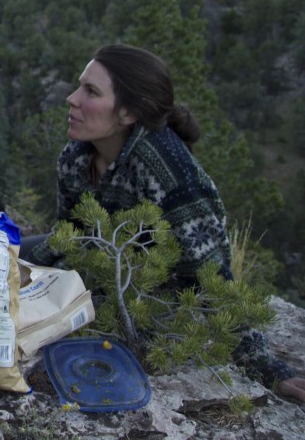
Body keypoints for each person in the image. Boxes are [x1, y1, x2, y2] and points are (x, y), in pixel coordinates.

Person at [26, 43, 304, 402]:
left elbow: (213, 280)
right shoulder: (76, 158)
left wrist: (266, 367)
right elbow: (72, 235)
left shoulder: (172, 175)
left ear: (127, 114)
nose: (71, 98)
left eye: (90, 91)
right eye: (80, 85)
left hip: (148, 297)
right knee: (6, 251)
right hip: (97, 266)